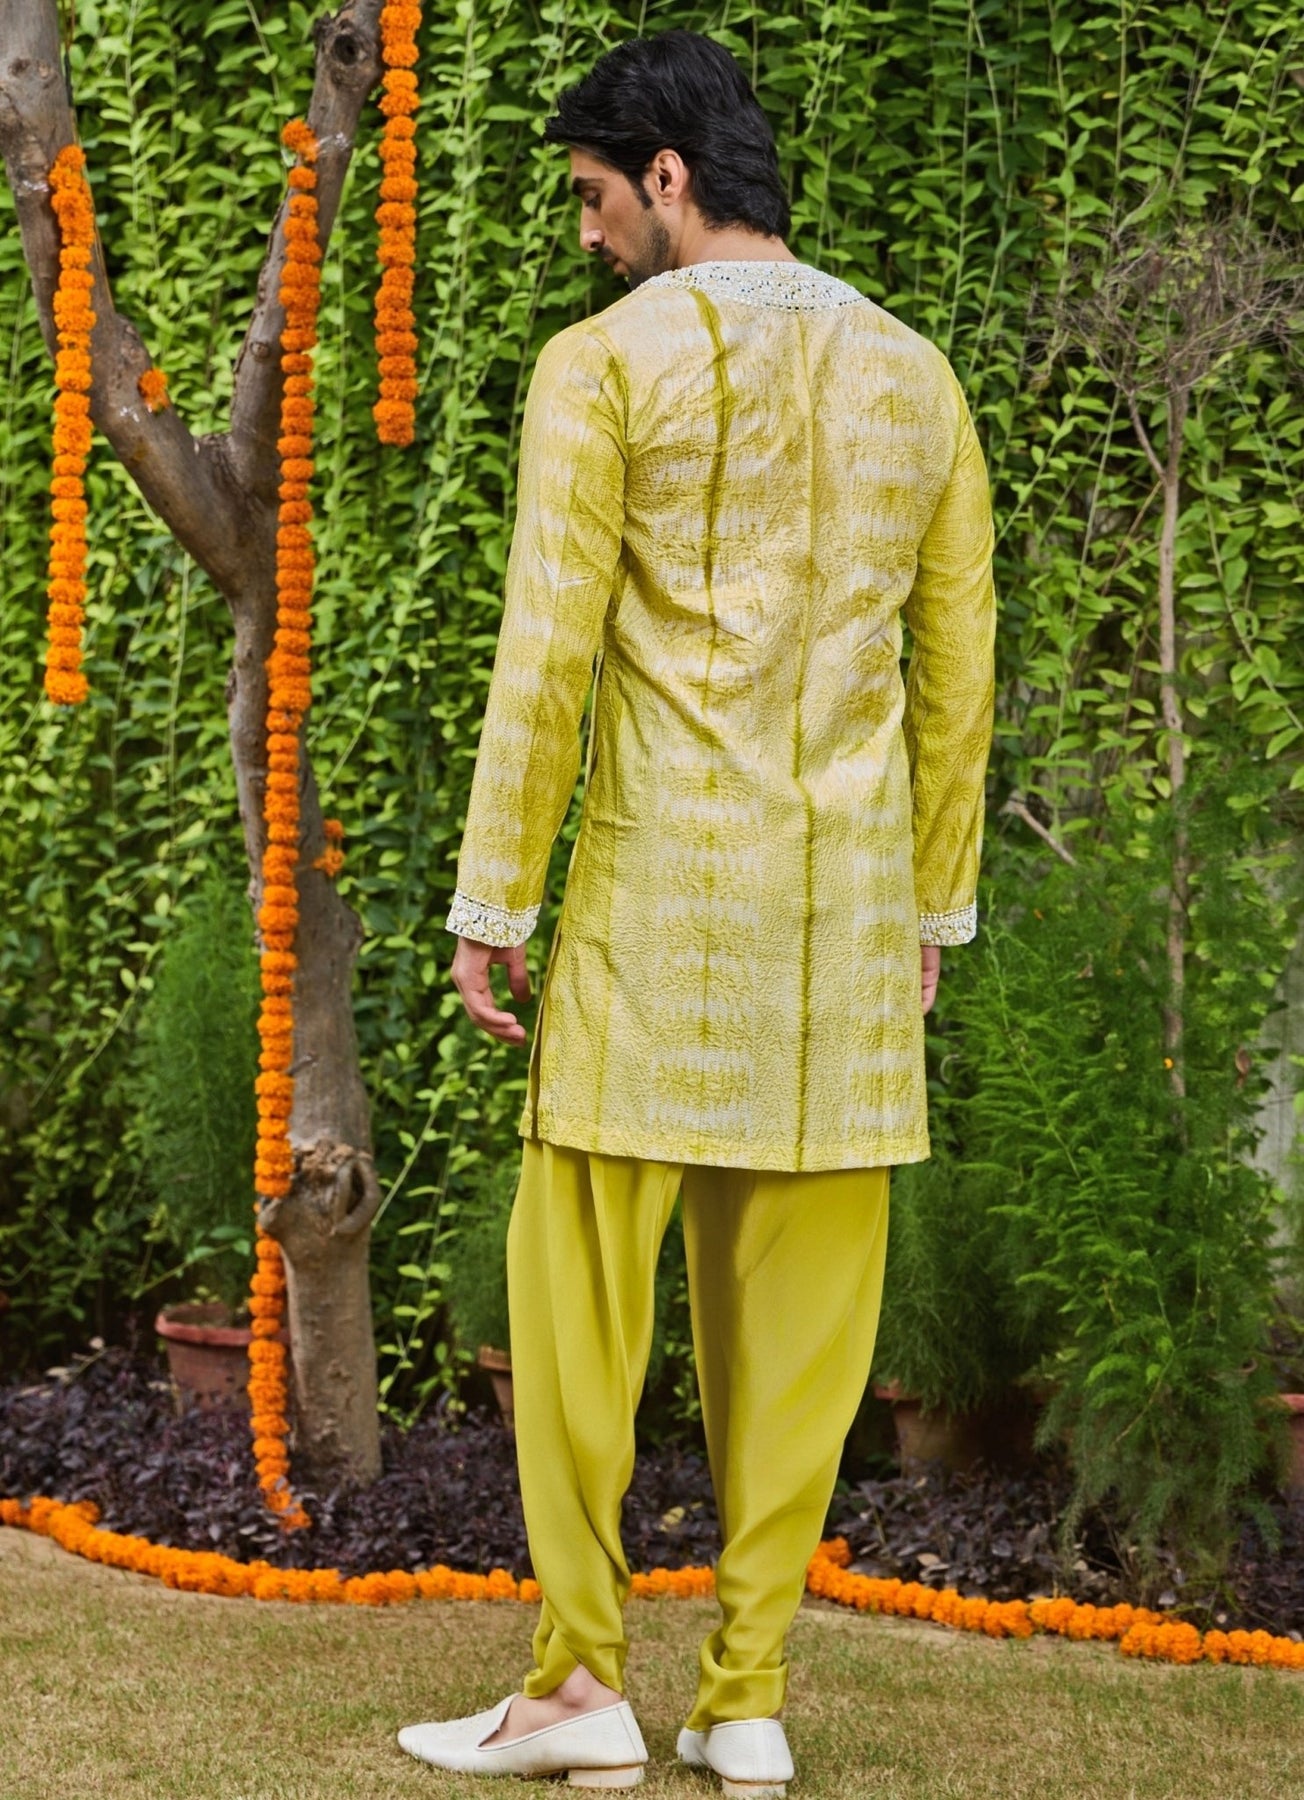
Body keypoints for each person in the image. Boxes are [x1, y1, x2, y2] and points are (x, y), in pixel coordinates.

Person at [398, 26, 995, 1796]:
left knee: (579, 1289)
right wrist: (935, 911)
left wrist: (493, 897)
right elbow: (960, 675)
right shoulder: (916, 376)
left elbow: (546, 652)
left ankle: (581, 1684)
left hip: (654, 919)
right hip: (841, 934)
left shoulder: (603, 367)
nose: (588, 234)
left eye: (596, 195)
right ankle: (746, 1697)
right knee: (803, 1328)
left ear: (669, 175)